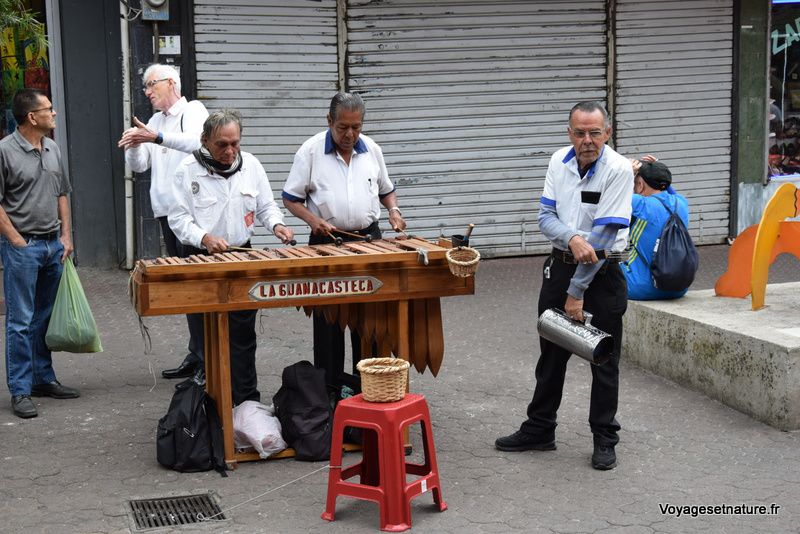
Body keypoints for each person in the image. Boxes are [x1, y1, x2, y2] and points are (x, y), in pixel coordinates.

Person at [495, 101, 633, 470]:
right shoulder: (559, 160)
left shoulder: (618, 169)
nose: (587, 140)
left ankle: (605, 438)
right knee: (551, 355)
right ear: (568, 132)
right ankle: (540, 429)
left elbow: (603, 235)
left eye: (594, 132)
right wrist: (572, 237)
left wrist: (577, 292)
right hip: (558, 267)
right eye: (579, 132)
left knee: (604, 360)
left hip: (602, 275)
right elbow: (545, 216)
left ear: (608, 132)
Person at [282, 92, 406, 396]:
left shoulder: (372, 149)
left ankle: (370, 392)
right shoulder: (310, 152)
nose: (350, 134)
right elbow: (290, 198)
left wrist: (394, 211)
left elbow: (386, 190)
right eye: (343, 128)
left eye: (356, 127)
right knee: (329, 327)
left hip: (369, 241)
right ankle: (330, 397)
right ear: (329, 122)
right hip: (326, 243)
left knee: (370, 325)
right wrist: (313, 221)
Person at [168, 109, 294, 404]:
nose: (229, 151)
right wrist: (204, 237)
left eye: (235, 143)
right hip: (201, 257)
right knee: (207, 337)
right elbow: (178, 219)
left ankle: (246, 400)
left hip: (241, 255)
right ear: (204, 140)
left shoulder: (251, 165)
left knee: (242, 336)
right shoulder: (186, 169)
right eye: (221, 144)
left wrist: (277, 225)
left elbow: (265, 206)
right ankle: (211, 403)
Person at [118, 63, 209, 381]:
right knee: (185, 287)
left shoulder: (194, 110)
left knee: (198, 287)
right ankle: (196, 352)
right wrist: (133, 144)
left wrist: (155, 136)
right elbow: (141, 165)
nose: (146, 91)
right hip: (166, 213)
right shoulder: (155, 121)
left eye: (150, 84)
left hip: (193, 216)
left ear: (171, 83)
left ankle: (207, 358)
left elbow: (200, 144)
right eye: (145, 86)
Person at [0, 88, 79, 418]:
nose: (54, 113)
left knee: (43, 318)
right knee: (20, 321)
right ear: (32, 117)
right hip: (24, 247)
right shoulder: (4, 151)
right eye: (48, 109)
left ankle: (43, 379)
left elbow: (62, 193)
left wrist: (66, 235)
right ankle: (20, 390)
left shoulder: (52, 147)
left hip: (52, 246)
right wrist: (16, 240)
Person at [624, 158, 691, 300]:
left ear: (640, 184)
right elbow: (667, 192)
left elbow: (613, 195)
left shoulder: (639, 204)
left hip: (640, 288)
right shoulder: (682, 203)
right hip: (678, 289)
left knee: (603, 263)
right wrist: (657, 169)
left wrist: (627, 174)